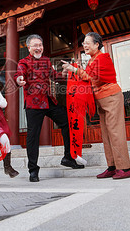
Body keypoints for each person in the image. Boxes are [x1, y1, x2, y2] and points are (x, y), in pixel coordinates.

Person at [62, 32, 130, 179]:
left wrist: (74, 69)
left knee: (115, 132)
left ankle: (124, 168)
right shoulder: (92, 60)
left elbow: (92, 77)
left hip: (111, 97)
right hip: (100, 99)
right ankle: (112, 166)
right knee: (106, 134)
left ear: (97, 44)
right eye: (84, 43)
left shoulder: (103, 58)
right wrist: (71, 72)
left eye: (88, 43)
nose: (84, 45)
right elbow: (85, 78)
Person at [14, 34, 84, 182]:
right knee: (33, 136)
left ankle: (68, 157)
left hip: (48, 100)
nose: (39, 48)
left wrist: (63, 73)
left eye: (40, 45)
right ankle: (33, 170)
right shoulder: (23, 62)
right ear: (29, 47)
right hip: (33, 103)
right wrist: (19, 79)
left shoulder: (46, 60)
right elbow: (19, 74)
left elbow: (55, 76)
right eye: (35, 45)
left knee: (67, 122)